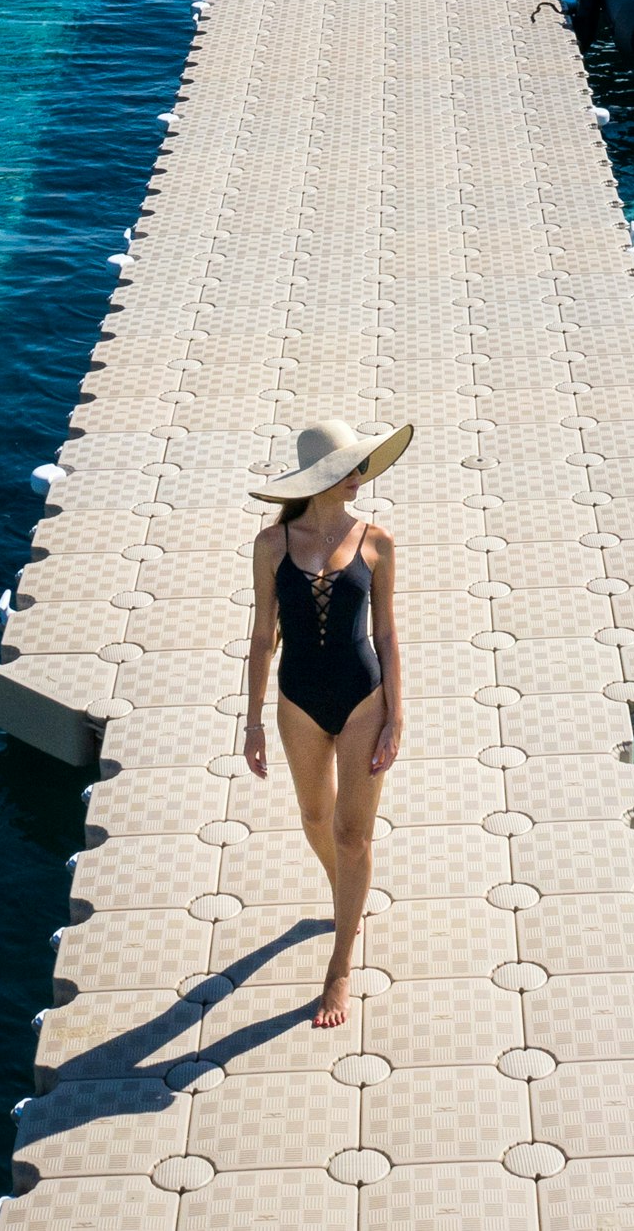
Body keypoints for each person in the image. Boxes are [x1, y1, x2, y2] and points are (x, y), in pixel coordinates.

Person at [241, 417, 411, 1027]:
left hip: (363, 697)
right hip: (298, 701)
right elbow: (264, 637)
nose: (362, 477)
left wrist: (396, 713)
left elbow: (387, 633)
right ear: (325, 478)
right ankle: (350, 895)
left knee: (351, 834)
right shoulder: (271, 545)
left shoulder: (376, 541)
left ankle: (340, 966)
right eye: (353, 468)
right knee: (315, 816)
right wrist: (253, 721)